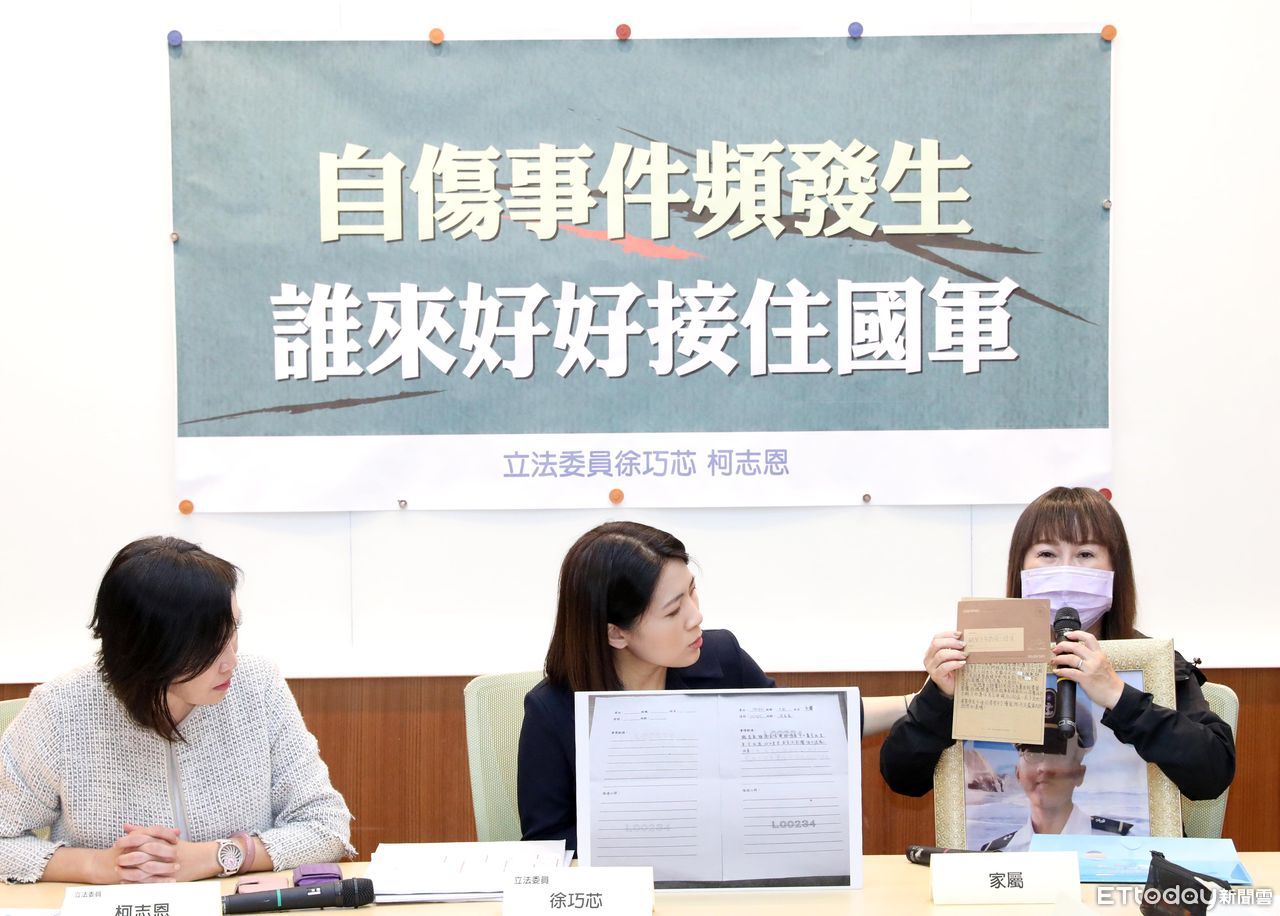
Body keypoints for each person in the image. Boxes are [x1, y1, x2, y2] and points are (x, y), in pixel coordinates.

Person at [518, 521, 911, 853]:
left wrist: (916, 702)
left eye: (691, 591)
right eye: (673, 610)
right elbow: (547, 844)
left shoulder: (720, 658)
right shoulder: (552, 711)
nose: (696, 616)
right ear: (616, 634)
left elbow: (805, 726)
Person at [879, 486, 1236, 831]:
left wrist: (1118, 695)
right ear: (1021, 568)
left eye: (1085, 554)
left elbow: (1212, 776)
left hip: (1132, 865)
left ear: (1115, 568)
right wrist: (939, 698)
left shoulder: (1151, 665)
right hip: (1011, 867)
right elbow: (903, 778)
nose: (1066, 569)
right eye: (1047, 554)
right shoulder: (979, 657)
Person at [0, 537, 354, 884]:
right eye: (207, 644)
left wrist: (218, 856)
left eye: (233, 628)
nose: (230, 661)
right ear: (147, 647)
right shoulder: (61, 708)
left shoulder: (257, 686)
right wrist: (98, 865)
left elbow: (326, 825)